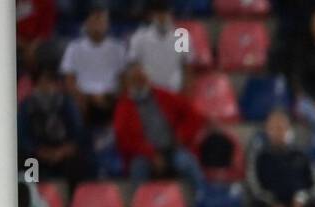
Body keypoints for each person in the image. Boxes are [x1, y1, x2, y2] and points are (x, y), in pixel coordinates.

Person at [113, 62, 206, 193]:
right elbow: (124, 138)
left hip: (172, 148)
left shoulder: (163, 95)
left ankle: (202, 198)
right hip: (143, 154)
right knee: (138, 169)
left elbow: (194, 116)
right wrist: (151, 155)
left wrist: (182, 136)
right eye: (135, 80)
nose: (139, 82)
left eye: (142, 78)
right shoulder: (124, 106)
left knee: (189, 163)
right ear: (128, 83)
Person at [246, 110, 315, 207]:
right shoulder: (259, 157)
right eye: (274, 128)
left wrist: (302, 198)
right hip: (270, 206)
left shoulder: (302, 154)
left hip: (298, 206)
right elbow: (254, 185)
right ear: (267, 130)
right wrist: (271, 204)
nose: (278, 132)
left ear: (289, 130)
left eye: (282, 127)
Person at [59, 2, 128, 128]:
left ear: (107, 25)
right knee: (73, 104)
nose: (98, 26)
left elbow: (124, 80)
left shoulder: (118, 48)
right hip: (84, 98)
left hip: (110, 97)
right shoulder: (74, 48)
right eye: (94, 22)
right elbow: (69, 80)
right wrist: (86, 97)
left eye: (101, 22)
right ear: (86, 24)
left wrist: (111, 97)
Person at [127, 0, 190, 93]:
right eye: (158, 13)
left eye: (164, 13)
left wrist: (186, 92)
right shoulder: (139, 38)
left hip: (174, 91)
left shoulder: (181, 36)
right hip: (149, 93)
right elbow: (133, 67)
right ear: (151, 15)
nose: (162, 17)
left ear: (170, 14)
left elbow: (187, 67)